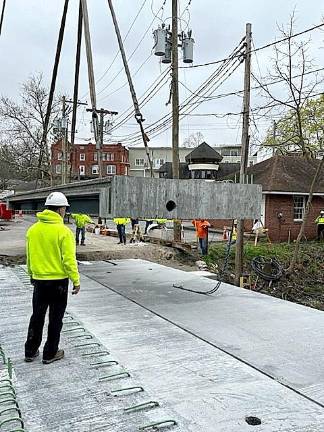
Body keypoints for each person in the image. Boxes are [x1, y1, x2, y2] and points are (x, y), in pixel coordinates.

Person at [24, 192, 80, 365]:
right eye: (65, 209)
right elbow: (69, 260)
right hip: (58, 283)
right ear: (61, 209)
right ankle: (50, 353)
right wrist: (76, 280)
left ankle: (30, 351)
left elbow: (30, 256)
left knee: (37, 316)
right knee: (55, 319)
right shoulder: (63, 231)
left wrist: (32, 274)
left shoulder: (33, 230)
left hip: (39, 281)